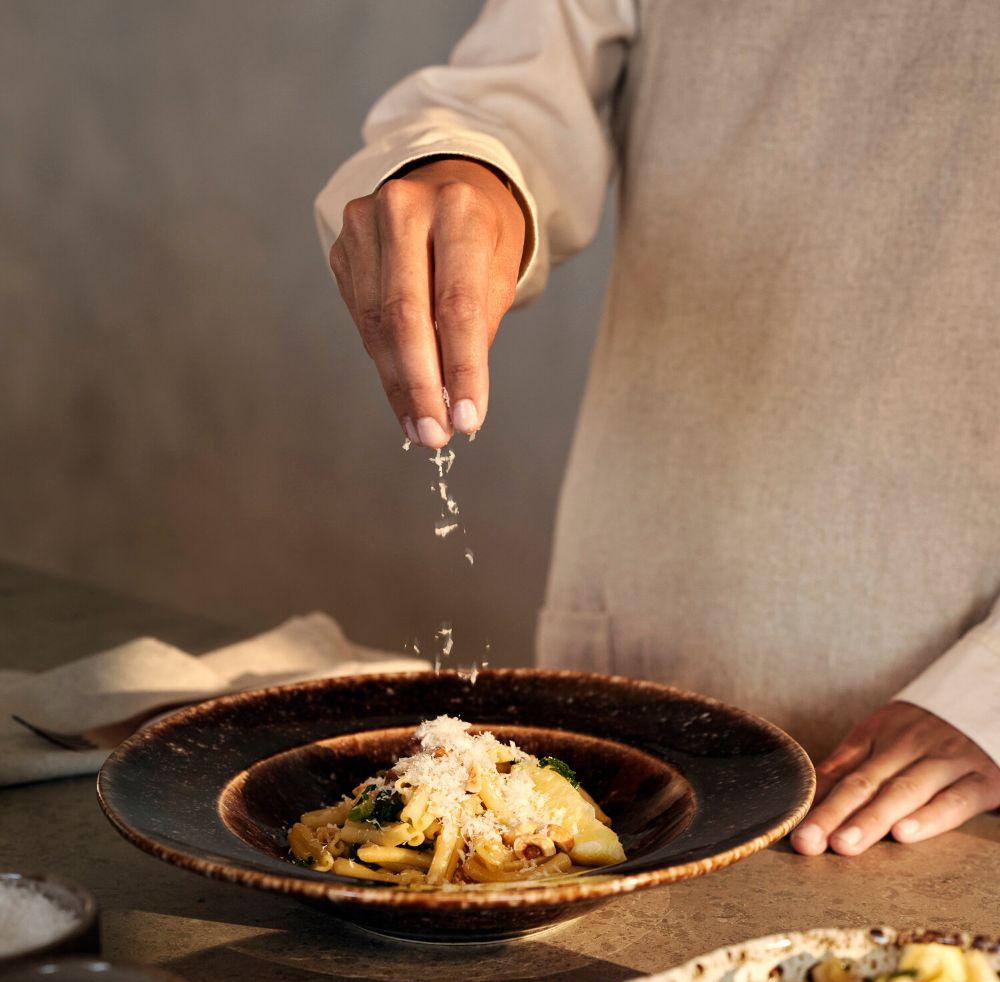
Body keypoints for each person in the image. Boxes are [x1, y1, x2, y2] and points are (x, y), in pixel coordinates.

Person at [315, 0, 1000, 857]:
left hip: (948, 779)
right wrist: (465, 170)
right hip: (643, 684)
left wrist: (990, 697)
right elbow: (515, 82)